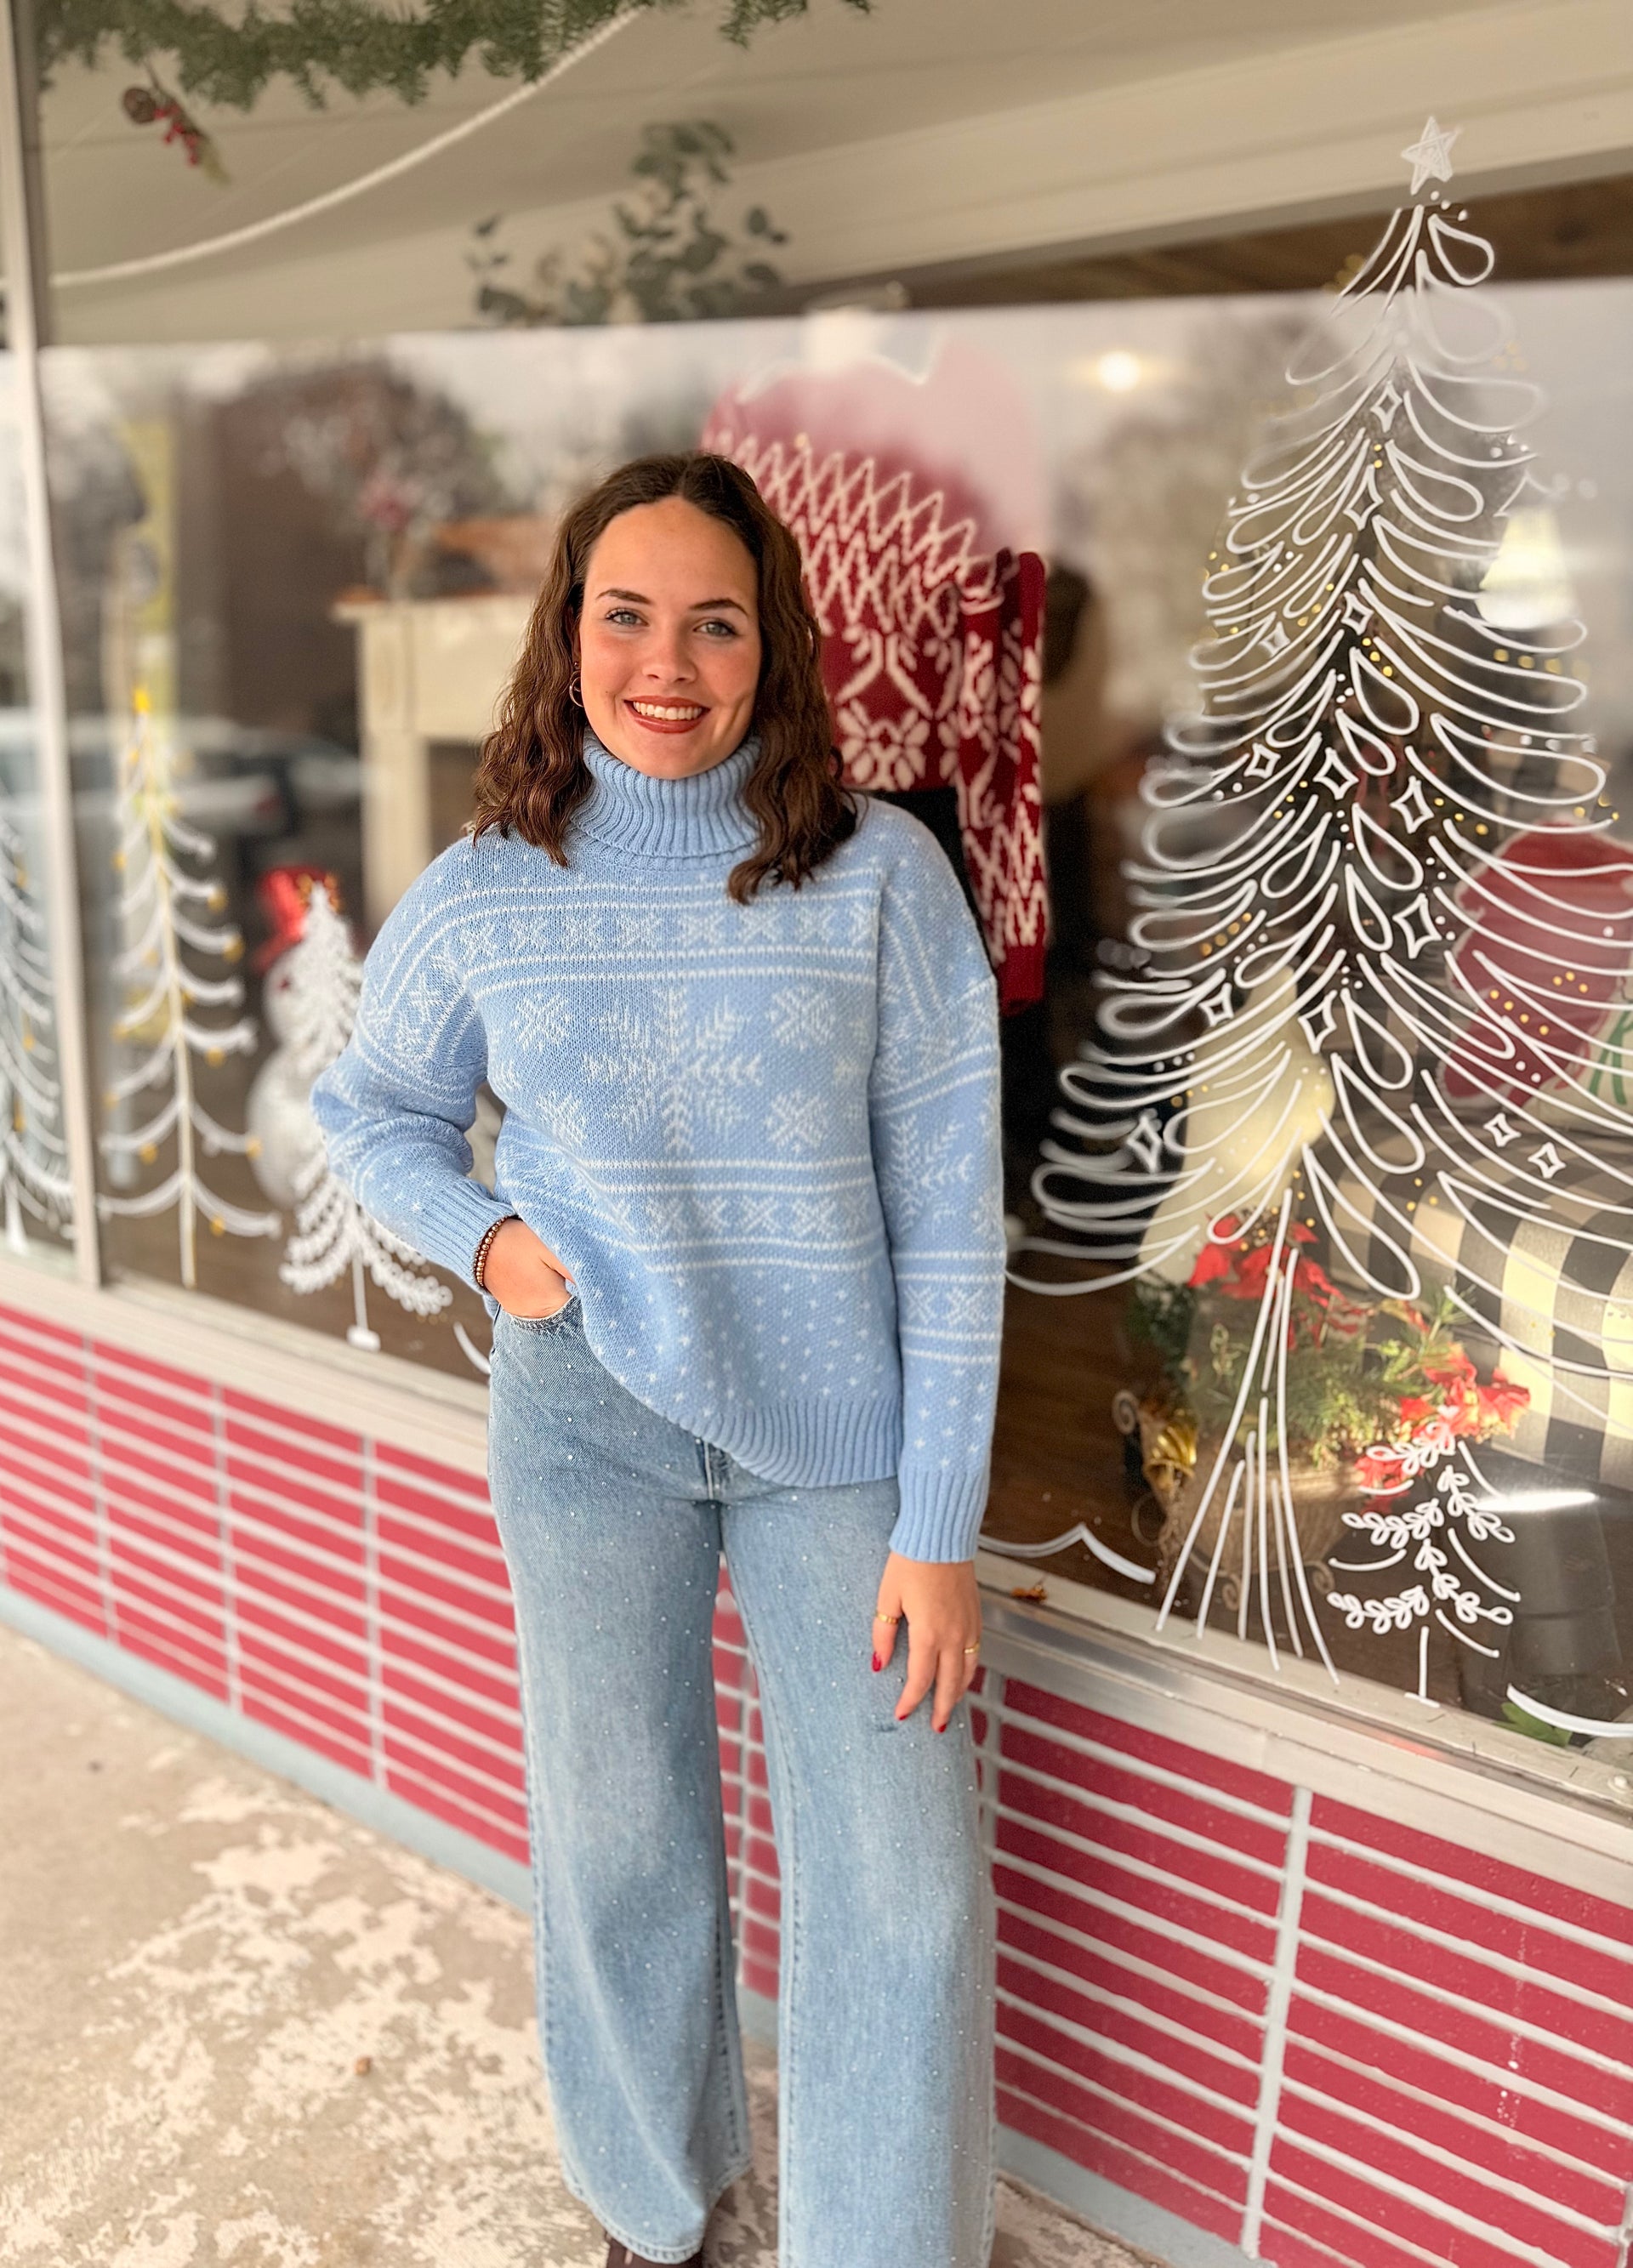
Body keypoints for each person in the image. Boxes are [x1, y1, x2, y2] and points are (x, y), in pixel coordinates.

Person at [313, 452, 1004, 2268]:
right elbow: (369, 1110)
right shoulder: (485, 888)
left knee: (904, 1879)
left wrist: (939, 1521)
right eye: (627, 614)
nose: (669, 660)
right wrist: (490, 1240)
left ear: (773, 645)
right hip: (585, 1424)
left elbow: (949, 1216)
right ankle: (652, 2199)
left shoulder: (885, 878)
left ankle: (880, 2238)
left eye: (716, 618)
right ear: (568, 634)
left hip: (837, 1447)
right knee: (618, 1840)